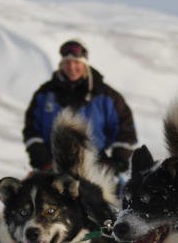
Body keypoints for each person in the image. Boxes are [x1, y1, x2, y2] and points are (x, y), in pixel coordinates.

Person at [23, 39, 137, 174]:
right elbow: (32, 130)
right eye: (67, 63)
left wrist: (117, 161)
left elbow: (126, 131)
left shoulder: (107, 96)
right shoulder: (45, 94)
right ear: (61, 65)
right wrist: (43, 160)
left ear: (85, 64)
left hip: (96, 168)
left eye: (76, 62)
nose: (71, 67)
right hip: (52, 167)